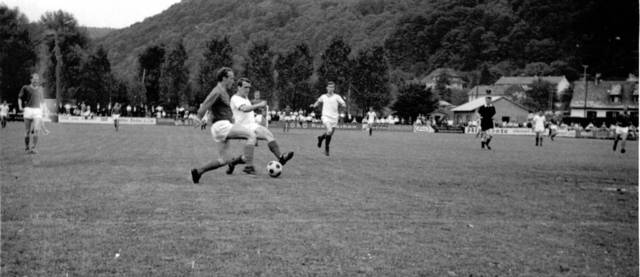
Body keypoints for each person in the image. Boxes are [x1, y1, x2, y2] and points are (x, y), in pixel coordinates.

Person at [190, 67, 258, 184]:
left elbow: (212, 109)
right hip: (222, 126)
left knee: (224, 160)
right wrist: (198, 117)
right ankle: (249, 167)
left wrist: (208, 118)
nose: (233, 81)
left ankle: (198, 172)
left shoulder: (223, 92)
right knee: (251, 135)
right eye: (231, 78)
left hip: (219, 127)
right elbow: (206, 104)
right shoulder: (218, 91)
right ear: (224, 78)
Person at [229, 77, 294, 174]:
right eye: (245, 87)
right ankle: (242, 165)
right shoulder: (235, 98)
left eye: (249, 87)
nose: (247, 90)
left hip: (251, 125)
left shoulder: (245, 97)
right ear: (238, 87)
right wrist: (259, 105)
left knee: (268, 134)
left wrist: (254, 114)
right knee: (247, 156)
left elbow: (246, 112)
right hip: (242, 128)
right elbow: (244, 109)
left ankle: (281, 158)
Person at [310, 81, 346, 156]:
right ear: (327, 88)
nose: (331, 88)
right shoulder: (323, 96)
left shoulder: (337, 97)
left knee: (330, 134)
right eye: (329, 87)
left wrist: (343, 105)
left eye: (332, 87)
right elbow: (318, 102)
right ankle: (327, 149)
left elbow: (343, 103)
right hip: (325, 116)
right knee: (329, 130)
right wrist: (314, 105)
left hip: (334, 117)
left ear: (334, 88)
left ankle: (320, 138)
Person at [18, 73, 45, 154]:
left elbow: (42, 101)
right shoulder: (25, 87)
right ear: (31, 79)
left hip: (37, 110)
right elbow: (19, 97)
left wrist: (43, 111)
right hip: (28, 110)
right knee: (27, 131)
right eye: (34, 79)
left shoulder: (40, 89)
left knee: (36, 130)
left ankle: (33, 148)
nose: (36, 80)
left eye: (37, 79)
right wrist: (20, 106)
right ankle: (26, 148)